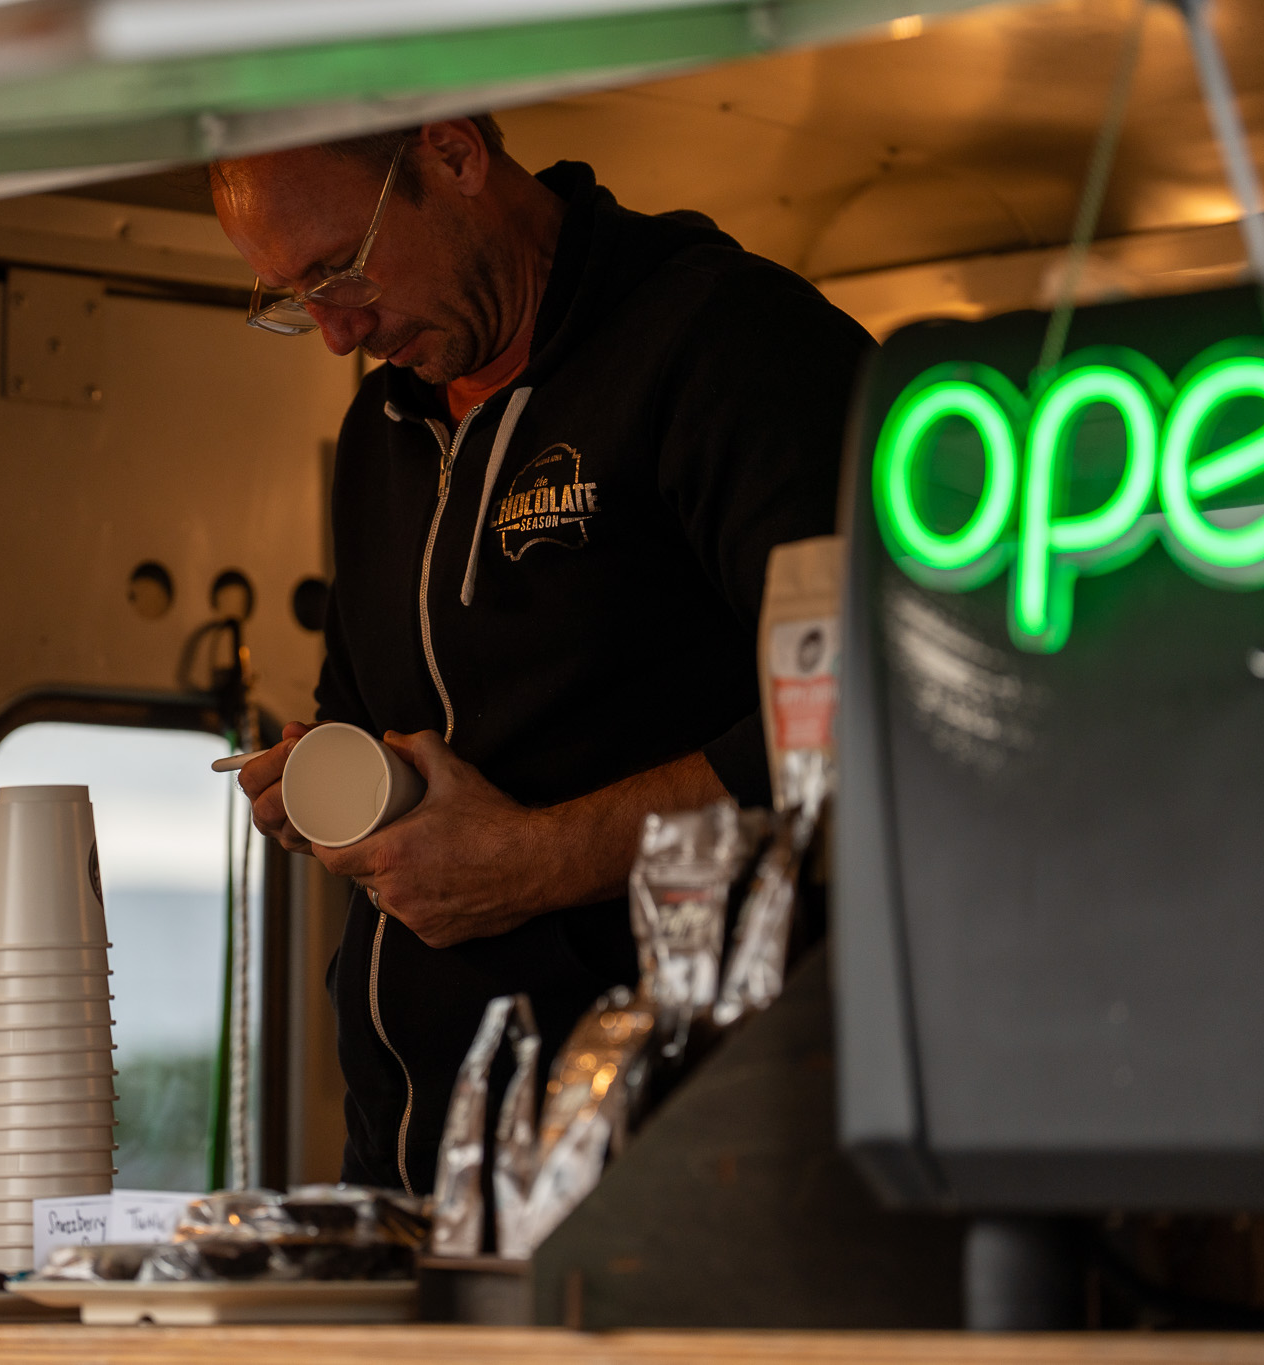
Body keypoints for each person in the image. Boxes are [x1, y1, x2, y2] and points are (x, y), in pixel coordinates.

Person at [210, 116, 873, 1194]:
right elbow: (364, 712)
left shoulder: (723, 345)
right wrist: (320, 788)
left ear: (453, 154)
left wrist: (537, 861)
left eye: (338, 271)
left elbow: (862, 713)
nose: (335, 332)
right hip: (414, 1171)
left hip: (674, 1165)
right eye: (293, 300)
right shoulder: (385, 425)